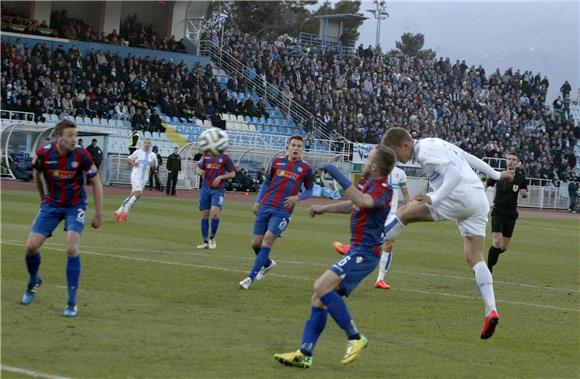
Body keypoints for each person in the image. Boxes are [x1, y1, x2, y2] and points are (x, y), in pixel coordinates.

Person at [381, 127, 514, 340]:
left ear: (405, 145)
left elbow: (454, 174)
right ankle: (491, 310)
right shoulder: (435, 142)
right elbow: (466, 156)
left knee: (405, 213)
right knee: (474, 257)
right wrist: (496, 174)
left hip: (459, 195)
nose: (397, 159)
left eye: (396, 154)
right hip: (478, 199)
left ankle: (365, 245)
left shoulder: (424, 152)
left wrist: (435, 198)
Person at [274, 146, 396, 368]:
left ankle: (355, 337)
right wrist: (324, 208)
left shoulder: (384, 189)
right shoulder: (367, 183)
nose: (366, 163)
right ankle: (305, 353)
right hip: (358, 250)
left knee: (321, 286)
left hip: (366, 253)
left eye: (368, 160)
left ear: (375, 166)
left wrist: (337, 173)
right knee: (318, 299)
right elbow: (354, 203)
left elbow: (364, 202)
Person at [21, 119, 103, 317]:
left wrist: (99, 213)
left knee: (72, 247)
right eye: (70, 135)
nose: (74, 139)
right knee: (31, 247)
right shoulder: (44, 153)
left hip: (75, 205)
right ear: (59, 137)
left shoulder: (82, 154)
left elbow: (96, 181)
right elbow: (36, 173)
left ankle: (71, 302)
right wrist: (43, 200)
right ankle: (34, 281)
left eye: (76, 135)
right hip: (52, 205)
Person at [239, 136, 315, 290]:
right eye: (293, 145)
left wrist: (297, 197)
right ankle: (267, 264)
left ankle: (249, 278)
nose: (296, 148)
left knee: (267, 239)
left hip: (283, 210)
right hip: (266, 205)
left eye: (299, 146)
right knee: (255, 243)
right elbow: (267, 182)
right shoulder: (277, 162)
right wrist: (258, 201)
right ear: (288, 146)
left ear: (302, 149)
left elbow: (310, 189)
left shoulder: (305, 168)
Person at [332, 166, 410, 289]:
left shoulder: (400, 173)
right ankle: (348, 262)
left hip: (391, 214)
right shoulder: (375, 171)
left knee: (389, 244)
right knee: (372, 240)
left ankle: (380, 279)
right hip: (376, 212)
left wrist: (407, 208)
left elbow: (405, 194)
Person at [485, 152, 528, 273]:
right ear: (506, 161)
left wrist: (524, 193)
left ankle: (492, 258)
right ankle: (488, 268)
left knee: (503, 247)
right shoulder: (498, 174)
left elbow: (524, 191)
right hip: (498, 211)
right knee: (496, 240)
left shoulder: (520, 178)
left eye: (514, 159)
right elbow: (487, 185)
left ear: (518, 163)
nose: (511, 161)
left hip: (511, 214)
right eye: (509, 159)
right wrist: (481, 194)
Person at [196, 149, 236, 249]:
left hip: (218, 190)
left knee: (214, 213)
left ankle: (212, 238)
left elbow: (233, 174)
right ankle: (205, 241)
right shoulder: (205, 155)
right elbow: (198, 167)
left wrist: (220, 177)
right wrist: (199, 171)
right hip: (205, 188)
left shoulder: (225, 157)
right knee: (205, 214)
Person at [114, 139, 157, 222]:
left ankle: (119, 211)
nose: (146, 144)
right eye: (145, 143)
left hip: (144, 178)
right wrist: (133, 163)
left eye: (148, 143)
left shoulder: (153, 155)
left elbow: (154, 167)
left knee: (136, 194)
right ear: (143, 144)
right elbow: (129, 159)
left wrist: (154, 165)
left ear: (151, 145)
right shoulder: (138, 152)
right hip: (135, 175)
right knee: (139, 192)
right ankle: (126, 210)